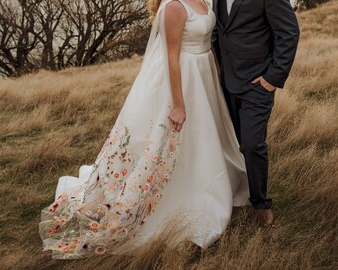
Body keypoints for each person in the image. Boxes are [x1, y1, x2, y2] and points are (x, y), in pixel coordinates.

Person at [39, 0, 250, 260]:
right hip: (184, 81)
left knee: (208, 138)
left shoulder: (204, 1)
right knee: (184, 143)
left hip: (204, 77)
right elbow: (172, 58)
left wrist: (215, 72)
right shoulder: (174, 7)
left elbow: (208, 42)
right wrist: (179, 105)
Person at [212, 0, 300, 225]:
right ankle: (232, 192)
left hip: (257, 83)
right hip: (226, 82)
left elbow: (289, 32)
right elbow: (218, 30)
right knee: (233, 142)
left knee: (252, 144)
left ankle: (260, 203)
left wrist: (272, 79)